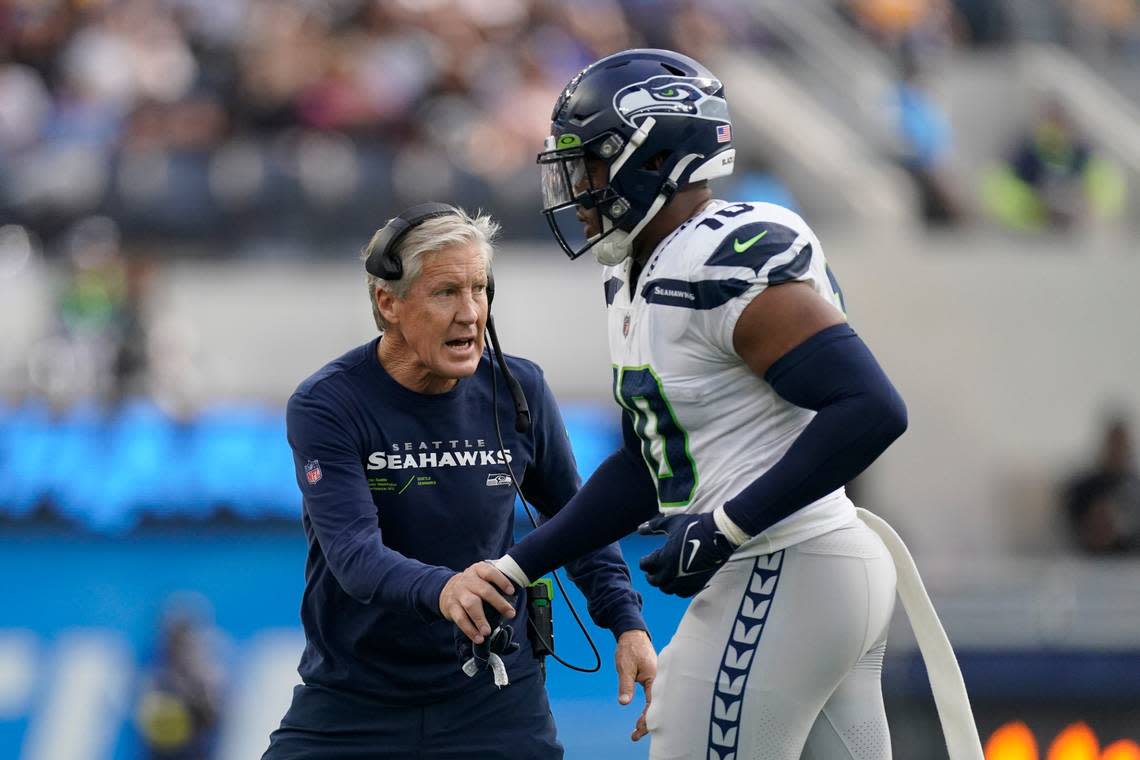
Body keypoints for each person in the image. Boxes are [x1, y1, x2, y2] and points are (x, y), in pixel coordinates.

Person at [481, 48, 918, 759]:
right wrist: (517, 566)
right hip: (811, 572)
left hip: (786, 563)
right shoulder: (641, 273)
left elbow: (870, 407)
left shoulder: (716, 259)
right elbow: (647, 465)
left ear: (654, 160)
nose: (576, 189)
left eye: (590, 165)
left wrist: (728, 526)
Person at [262, 204, 655, 759]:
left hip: (494, 696)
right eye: (447, 292)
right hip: (353, 701)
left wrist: (626, 622)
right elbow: (352, 554)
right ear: (388, 302)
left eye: (479, 289)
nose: (470, 313)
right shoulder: (328, 403)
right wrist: (444, 588)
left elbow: (578, 522)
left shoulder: (520, 389)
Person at [1063, 415, 1140, 554]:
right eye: (1114, 444)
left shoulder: (1134, 489)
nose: (1118, 451)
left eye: (1121, 444)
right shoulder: (1081, 490)